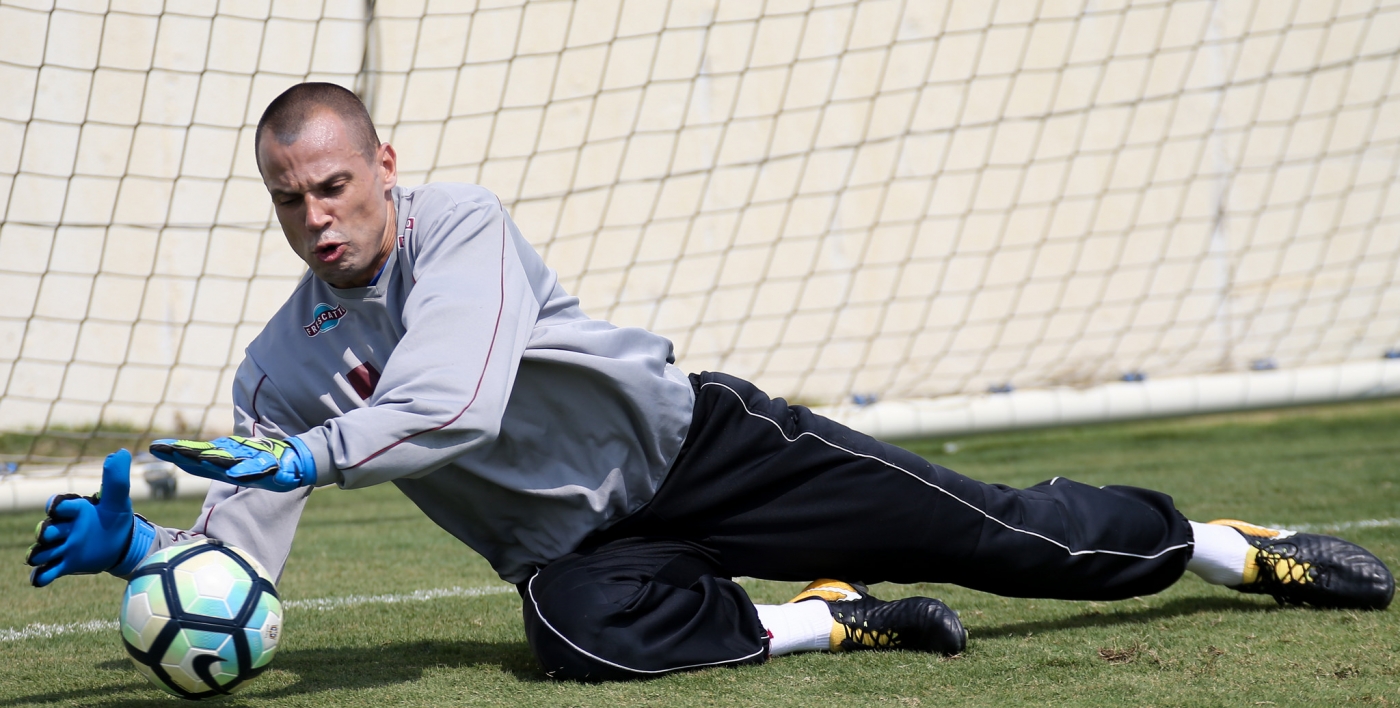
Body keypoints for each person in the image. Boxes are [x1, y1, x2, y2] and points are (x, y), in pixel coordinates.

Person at [26, 83, 1395, 682]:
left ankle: (1221, 546)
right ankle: (831, 624)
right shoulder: (277, 372)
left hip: (701, 450)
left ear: (386, 167)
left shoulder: (463, 226)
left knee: (1009, 535)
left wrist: (317, 461)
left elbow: (454, 403)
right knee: (571, 642)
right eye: (289, 201)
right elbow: (244, 564)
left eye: (334, 185)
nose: (317, 217)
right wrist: (145, 550)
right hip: (584, 550)